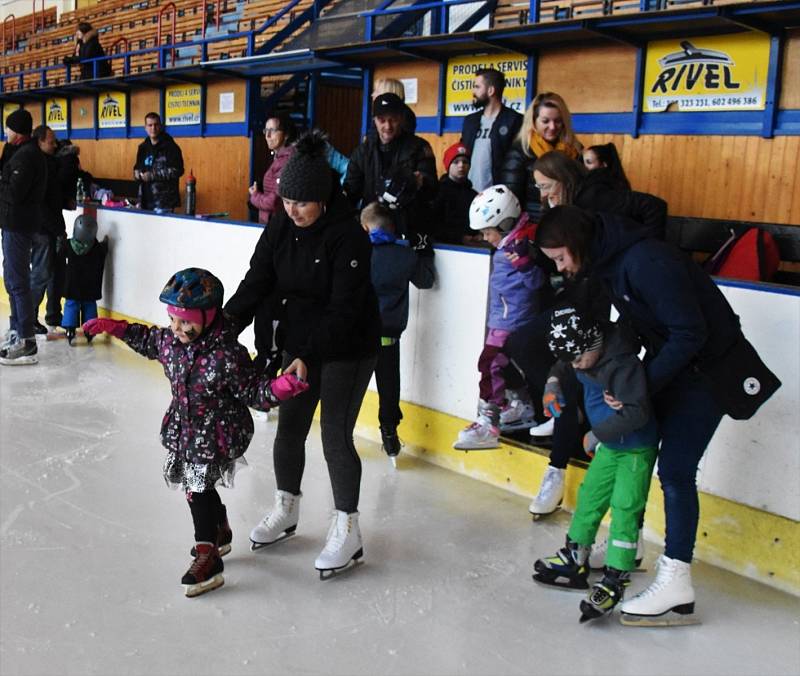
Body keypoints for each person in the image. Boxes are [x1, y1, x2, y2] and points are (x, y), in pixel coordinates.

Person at [534, 204, 771, 626]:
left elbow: (690, 331)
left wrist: (636, 387)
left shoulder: (645, 261)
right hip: (679, 366)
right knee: (638, 441)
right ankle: (633, 546)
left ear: (577, 242)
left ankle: (677, 583)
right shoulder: (608, 262)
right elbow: (621, 328)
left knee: (676, 470)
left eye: (560, 258)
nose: (561, 268)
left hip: (709, 372)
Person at [82, 268, 308, 597]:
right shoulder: (170, 342)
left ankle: (208, 556)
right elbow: (146, 339)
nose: (178, 328)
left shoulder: (227, 356)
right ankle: (220, 531)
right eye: (174, 320)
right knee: (198, 485)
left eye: (187, 322)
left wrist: (284, 387)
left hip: (218, 432)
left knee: (196, 489)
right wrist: (115, 327)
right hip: (186, 429)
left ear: (210, 315)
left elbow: (254, 392)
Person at [224, 130, 381, 579]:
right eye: (285, 200)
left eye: (301, 203)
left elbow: (344, 310)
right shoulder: (280, 223)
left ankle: (347, 529)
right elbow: (257, 279)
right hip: (299, 340)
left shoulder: (348, 237)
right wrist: (224, 327)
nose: (291, 210)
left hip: (347, 346)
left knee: (334, 435)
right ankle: (286, 509)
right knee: (288, 429)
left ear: (324, 199)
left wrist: (308, 356)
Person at [532, 307, 658, 623]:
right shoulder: (582, 352)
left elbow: (637, 413)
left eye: (579, 359)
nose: (575, 366)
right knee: (589, 497)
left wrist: (595, 433)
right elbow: (563, 363)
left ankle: (616, 577)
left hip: (634, 450)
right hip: (608, 446)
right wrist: (552, 385)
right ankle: (576, 556)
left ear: (593, 345)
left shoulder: (623, 365)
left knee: (625, 508)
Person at [453, 186, 547, 450]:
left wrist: (525, 265)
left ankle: (489, 421)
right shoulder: (509, 244)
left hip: (512, 321)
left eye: (487, 232)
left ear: (504, 223)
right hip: (502, 319)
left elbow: (538, 282)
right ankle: (521, 409)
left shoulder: (519, 247)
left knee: (489, 364)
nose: (486, 238)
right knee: (501, 366)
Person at [360, 201, 435, 463]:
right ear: (392, 227)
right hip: (388, 337)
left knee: (350, 385)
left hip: (357, 333)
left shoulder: (360, 252)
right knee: (388, 388)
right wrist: (425, 250)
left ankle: (340, 432)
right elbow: (426, 281)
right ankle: (389, 435)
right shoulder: (405, 255)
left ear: (365, 227)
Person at [344, 93, 437, 243]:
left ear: (401, 118)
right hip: (373, 230)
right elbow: (350, 193)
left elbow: (433, 190)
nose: (387, 126)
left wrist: (420, 182)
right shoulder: (362, 152)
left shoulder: (419, 147)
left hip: (410, 230)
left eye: (392, 119)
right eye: (382, 120)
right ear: (374, 120)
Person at [0, 108, 46, 366]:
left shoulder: (27, 157)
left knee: (18, 282)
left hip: (19, 225)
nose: (5, 132)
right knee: (12, 279)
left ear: (17, 131)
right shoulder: (18, 153)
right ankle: (18, 329)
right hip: (12, 224)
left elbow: (14, 194)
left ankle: (27, 340)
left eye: (8, 128)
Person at [533, 150, 665, 236]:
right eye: (539, 187)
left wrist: (648, 245)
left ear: (565, 181)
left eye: (546, 186)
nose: (542, 195)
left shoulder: (595, 196)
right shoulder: (556, 201)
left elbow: (655, 205)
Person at [498, 92, 582, 219]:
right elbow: (511, 199)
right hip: (534, 224)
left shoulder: (575, 149)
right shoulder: (520, 151)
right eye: (545, 121)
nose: (552, 127)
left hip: (570, 221)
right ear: (533, 121)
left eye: (558, 121)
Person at [30, 125, 68, 335]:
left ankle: (54, 316)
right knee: (41, 274)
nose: (55, 144)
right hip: (42, 230)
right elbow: (40, 204)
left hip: (54, 227)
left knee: (57, 274)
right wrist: (56, 230)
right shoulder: (37, 166)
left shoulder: (50, 163)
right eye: (51, 141)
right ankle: (29, 317)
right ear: (39, 142)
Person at [460, 68, 523, 193]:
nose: (473, 91)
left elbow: (517, 162)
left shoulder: (514, 120)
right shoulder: (470, 121)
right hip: (468, 193)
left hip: (499, 196)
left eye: (477, 87)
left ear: (490, 90)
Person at [55, 214, 108, 345]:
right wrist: (106, 241)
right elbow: (104, 250)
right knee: (89, 306)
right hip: (90, 288)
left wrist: (60, 241)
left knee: (71, 305)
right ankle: (90, 330)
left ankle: (70, 329)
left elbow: (59, 253)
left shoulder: (68, 245)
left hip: (72, 287)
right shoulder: (97, 248)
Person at [249, 112, 297, 226]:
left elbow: (274, 202)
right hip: (274, 222)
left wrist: (255, 195)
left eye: (273, 130)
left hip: (277, 224)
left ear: (286, 134)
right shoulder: (279, 158)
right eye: (266, 131)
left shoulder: (287, 160)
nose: (267, 136)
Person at [429, 142, 480, 246]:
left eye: (465, 162)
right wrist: (460, 238)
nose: (461, 165)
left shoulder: (474, 195)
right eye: (456, 162)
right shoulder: (437, 191)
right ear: (448, 166)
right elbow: (433, 224)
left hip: (471, 248)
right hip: (442, 247)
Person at [133, 112, 184, 213]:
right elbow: (136, 168)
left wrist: (152, 175)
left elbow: (178, 170)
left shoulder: (171, 147)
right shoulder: (142, 147)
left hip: (164, 202)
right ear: (145, 128)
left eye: (156, 125)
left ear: (160, 126)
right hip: (144, 200)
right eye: (150, 125)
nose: (153, 128)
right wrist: (137, 174)